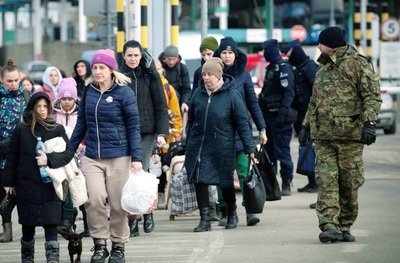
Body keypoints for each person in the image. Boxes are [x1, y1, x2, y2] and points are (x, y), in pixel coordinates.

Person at [299, 27, 382, 243]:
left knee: (349, 184)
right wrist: (306, 126)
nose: (318, 46)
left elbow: (372, 96)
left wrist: (369, 124)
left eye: (321, 43)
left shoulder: (358, 64)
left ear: (332, 43)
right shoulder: (323, 68)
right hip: (324, 138)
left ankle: (345, 224)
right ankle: (329, 225)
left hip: (350, 138)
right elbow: (314, 101)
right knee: (326, 182)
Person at [70, 49, 143, 262]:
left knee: (119, 204)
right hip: (92, 155)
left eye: (102, 67)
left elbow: (133, 126)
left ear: (111, 69)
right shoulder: (89, 91)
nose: (98, 71)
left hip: (119, 155)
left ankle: (118, 246)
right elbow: (81, 123)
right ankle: (99, 244)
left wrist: (137, 158)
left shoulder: (124, 92)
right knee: (93, 199)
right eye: (95, 67)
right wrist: (69, 150)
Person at [185, 58, 256, 232]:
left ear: (218, 75)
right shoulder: (198, 93)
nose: (206, 77)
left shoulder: (232, 95)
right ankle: (205, 219)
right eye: (204, 74)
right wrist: (189, 139)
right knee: (199, 181)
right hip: (199, 145)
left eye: (210, 74)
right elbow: (191, 119)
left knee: (225, 182)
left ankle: (232, 213)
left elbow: (242, 123)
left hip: (222, 145)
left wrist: (250, 149)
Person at [3, 92, 74, 263]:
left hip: (50, 184)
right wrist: (8, 182)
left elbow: (68, 152)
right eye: (38, 107)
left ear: (49, 108)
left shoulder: (56, 128)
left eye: (44, 107)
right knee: (28, 223)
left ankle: (52, 257)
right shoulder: (22, 129)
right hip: (26, 183)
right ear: (32, 109)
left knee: (51, 222)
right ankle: (27, 256)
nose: (41, 110)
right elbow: (12, 156)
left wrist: (48, 159)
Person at [213, 37, 267, 226]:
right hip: (219, 132)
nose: (227, 56)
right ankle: (226, 211)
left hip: (241, 131)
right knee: (223, 174)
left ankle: (250, 209)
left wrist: (262, 128)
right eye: (224, 53)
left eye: (230, 53)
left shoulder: (243, 76)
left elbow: (253, 103)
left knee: (244, 171)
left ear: (235, 55)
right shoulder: (212, 74)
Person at [119, 40, 169, 237]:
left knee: (143, 171)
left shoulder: (151, 75)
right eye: (129, 55)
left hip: (146, 132)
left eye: (136, 55)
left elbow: (161, 105)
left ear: (141, 56)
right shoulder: (118, 77)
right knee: (127, 176)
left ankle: (148, 213)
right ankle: (133, 220)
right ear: (123, 56)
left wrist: (162, 134)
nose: (132, 59)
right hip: (123, 132)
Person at [52, 77, 90, 237]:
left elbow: (86, 130)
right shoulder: (54, 114)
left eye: (70, 98)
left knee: (82, 187)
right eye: (64, 98)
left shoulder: (82, 112)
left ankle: (88, 222)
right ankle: (67, 220)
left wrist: (83, 143)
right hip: (62, 157)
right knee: (66, 187)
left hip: (80, 154)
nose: (67, 102)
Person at [281, 40, 319, 193]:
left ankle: (316, 183)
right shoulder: (299, 68)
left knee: (313, 150)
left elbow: (317, 93)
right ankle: (311, 181)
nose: (288, 58)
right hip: (301, 118)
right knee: (306, 150)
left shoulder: (310, 68)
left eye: (289, 54)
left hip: (311, 118)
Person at [258, 39, 295, 196]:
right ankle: (272, 185)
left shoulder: (283, 68)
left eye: (266, 51)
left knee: (282, 151)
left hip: (280, 118)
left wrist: (282, 113)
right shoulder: (271, 68)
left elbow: (289, 92)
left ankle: (286, 182)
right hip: (268, 116)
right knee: (269, 152)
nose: (264, 54)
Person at [0, 58, 31, 243]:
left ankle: (27, 230)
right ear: (1, 80)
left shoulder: (27, 96)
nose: (13, 84)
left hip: (22, 153)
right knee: (3, 194)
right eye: (9, 81)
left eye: (16, 80)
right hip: (1, 155)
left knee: (24, 193)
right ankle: (7, 230)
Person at [154, 58, 182, 209]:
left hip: (167, 134)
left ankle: (162, 193)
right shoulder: (146, 86)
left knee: (165, 163)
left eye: (158, 68)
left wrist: (177, 132)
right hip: (149, 133)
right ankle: (154, 194)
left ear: (162, 70)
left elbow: (176, 112)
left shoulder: (167, 88)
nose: (156, 71)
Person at [158, 45, 191, 113]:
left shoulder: (182, 68)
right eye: (169, 59)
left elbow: (186, 89)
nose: (171, 62)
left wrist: (184, 102)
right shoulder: (159, 68)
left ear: (177, 58)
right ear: (164, 58)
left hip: (178, 105)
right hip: (162, 104)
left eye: (174, 59)